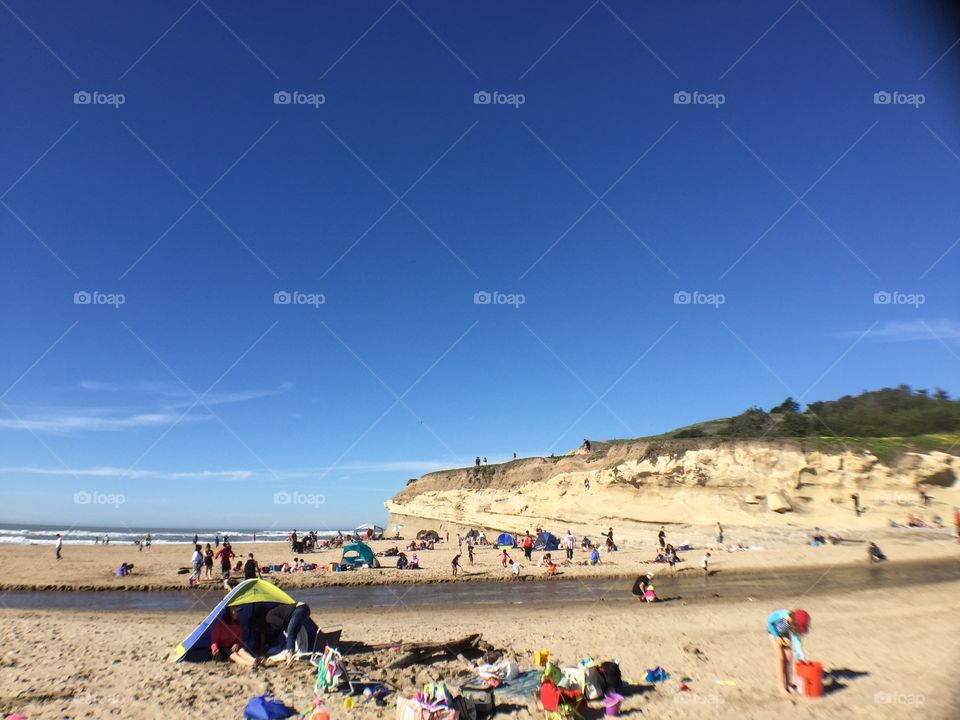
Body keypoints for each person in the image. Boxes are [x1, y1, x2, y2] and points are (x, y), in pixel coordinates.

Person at [766, 609, 811, 695]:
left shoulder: (793, 626)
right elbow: (769, 622)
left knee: (789, 657)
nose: (797, 630)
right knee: (780, 658)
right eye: (798, 627)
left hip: (784, 632)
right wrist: (777, 637)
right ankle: (781, 686)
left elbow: (796, 644)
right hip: (773, 632)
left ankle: (788, 684)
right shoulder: (782, 617)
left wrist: (801, 656)